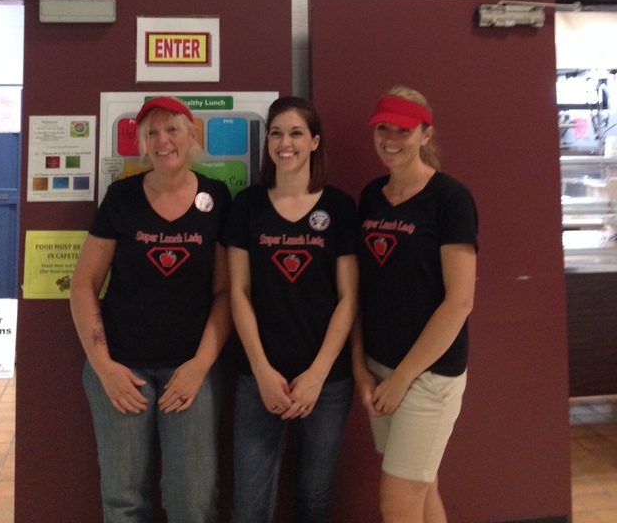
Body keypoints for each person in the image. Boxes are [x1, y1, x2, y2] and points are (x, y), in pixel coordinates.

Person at [70, 96, 232, 523]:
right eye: (152, 133)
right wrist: (104, 366)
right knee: (124, 503)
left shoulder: (216, 198)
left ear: (192, 135)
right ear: (142, 143)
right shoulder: (121, 197)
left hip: (190, 373)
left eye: (172, 129)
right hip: (122, 371)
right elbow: (83, 285)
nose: (163, 140)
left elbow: (225, 292)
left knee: (193, 502)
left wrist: (200, 364)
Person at [224, 95, 358, 523]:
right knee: (249, 505)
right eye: (276, 133)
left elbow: (348, 297)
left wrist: (318, 374)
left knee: (314, 500)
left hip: (328, 382)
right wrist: (262, 371)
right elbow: (238, 292)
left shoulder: (338, 208)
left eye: (296, 132)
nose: (285, 142)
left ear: (315, 141)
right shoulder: (247, 206)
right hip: (258, 378)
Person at [352, 86, 478, 523]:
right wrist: (360, 367)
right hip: (380, 368)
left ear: (425, 134)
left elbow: (459, 302)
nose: (391, 138)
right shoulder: (370, 197)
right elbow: (362, 291)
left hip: (427, 375)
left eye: (403, 130)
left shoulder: (450, 198)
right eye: (382, 128)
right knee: (423, 490)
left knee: (397, 503)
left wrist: (403, 378)